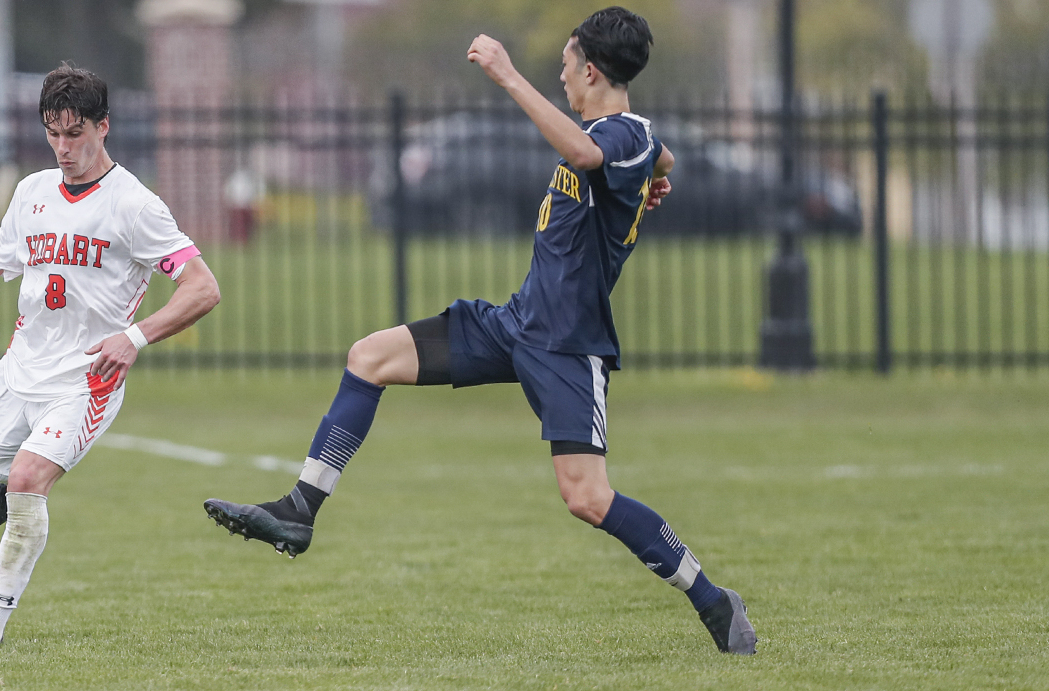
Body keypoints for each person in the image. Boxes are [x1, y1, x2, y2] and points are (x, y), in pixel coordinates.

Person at [201, 8, 757, 655]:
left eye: (568, 63)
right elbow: (657, 154)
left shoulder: (619, 132)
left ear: (593, 70)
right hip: (514, 325)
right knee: (370, 356)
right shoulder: (632, 141)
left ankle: (714, 601)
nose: (562, 74)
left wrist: (507, 75)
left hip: (567, 349)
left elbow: (594, 149)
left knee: (587, 497)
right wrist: (660, 174)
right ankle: (300, 509)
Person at [0, 64, 222, 645]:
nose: (63, 147)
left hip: (83, 385)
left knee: (29, 480)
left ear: (103, 126)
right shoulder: (31, 192)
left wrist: (134, 337)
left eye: (75, 133)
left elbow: (203, 287)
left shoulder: (135, 205)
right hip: (17, 373)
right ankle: (0, 476)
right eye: (53, 133)